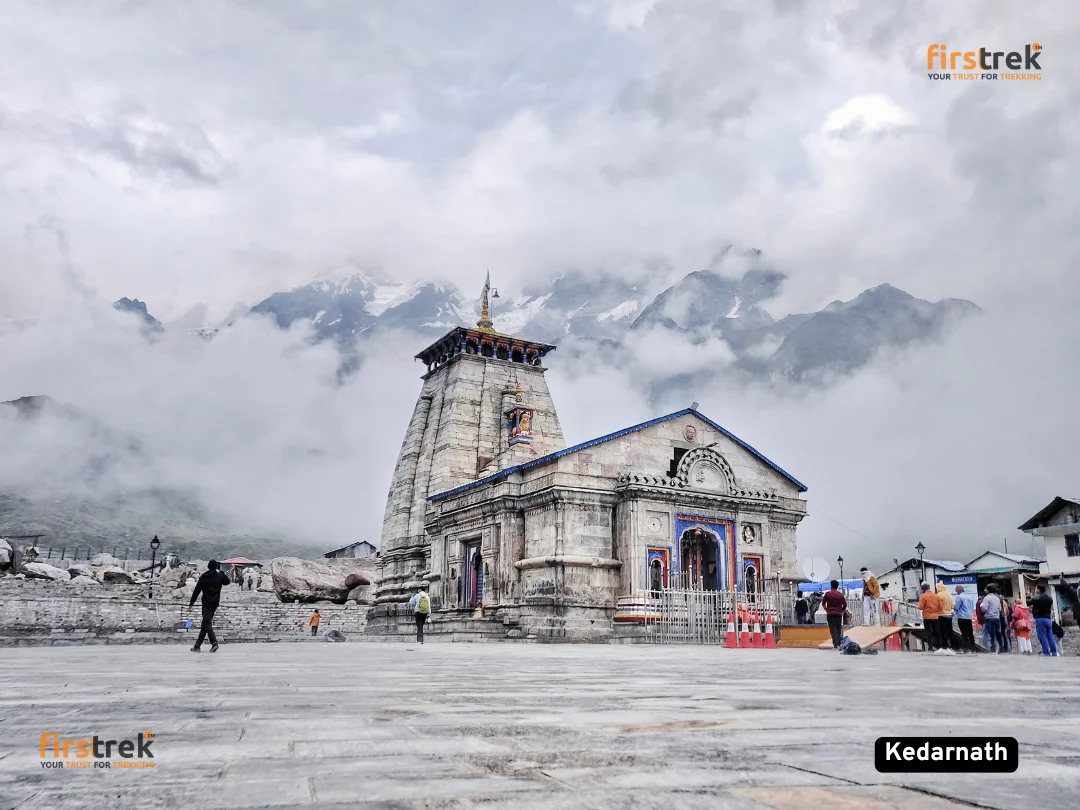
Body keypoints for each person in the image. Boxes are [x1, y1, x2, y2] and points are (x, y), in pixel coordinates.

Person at [188, 560, 231, 653]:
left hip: (206, 603)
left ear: (208, 566)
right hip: (215, 603)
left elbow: (196, 591)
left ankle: (214, 643)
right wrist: (222, 572)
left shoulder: (204, 576)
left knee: (206, 623)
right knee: (205, 623)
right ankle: (197, 646)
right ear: (216, 567)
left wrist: (191, 603)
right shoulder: (219, 576)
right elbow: (227, 582)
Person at [1028, 585, 1057, 656]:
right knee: (1050, 636)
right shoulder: (1049, 598)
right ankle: (1054, 652)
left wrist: (1030, 595)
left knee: (1042, 636)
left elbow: (1029, 602)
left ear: (1038, 590)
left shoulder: (1037, 597)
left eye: (1035, 589)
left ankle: (1046, 652)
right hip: (1048, 618)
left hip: (1040, 618)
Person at [821, 580, 847, 648]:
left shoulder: (827, 594)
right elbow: (845, 604)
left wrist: (827, 610)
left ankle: (835, 645)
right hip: (838, 614)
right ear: (837, 586)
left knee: (833, 629)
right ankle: (839, 644)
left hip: (830, 614)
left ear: (831, 585)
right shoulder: (840, 595)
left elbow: (823, 604)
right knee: (838, 629)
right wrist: (842, 611)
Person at [981, 584, 1006, 654]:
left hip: (989, 617)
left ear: (988, 590)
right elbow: (1000, 609)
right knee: (999, 633)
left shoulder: (986, 598)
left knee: (992, 633)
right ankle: (1001, 648)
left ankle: (993, 647)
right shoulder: (997, 598)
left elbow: (985, 608)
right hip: (996, 617)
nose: (985, 590)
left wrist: (982, 609)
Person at [953, 586, 977, 652]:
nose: (956, 592)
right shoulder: (970, 597)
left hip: (962, 617)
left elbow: (957, 607)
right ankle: (973, 647)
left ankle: (966, 648)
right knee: (970, 633)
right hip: (969, 617)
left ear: (958, 590)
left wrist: (953, 607)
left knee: (964, 633)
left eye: (956, 591)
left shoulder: (959, 597)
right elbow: (972, 606)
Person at [917, 583, 940, 651]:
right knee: (937, 632)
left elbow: (920, 607)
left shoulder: (923, 596)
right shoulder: (936, 596)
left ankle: (930, 647)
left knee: (929, 633)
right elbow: (940, 606)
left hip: (927, 617)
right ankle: (939, 646)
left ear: (923, 589)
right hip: (936, 617)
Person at [935, 583, 955, 652]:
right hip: (949, 615)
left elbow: (937, 605)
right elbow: (952, 604)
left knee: (942, 632)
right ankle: (953, 646)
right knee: (950, 631)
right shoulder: (949, 594)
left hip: (941, 615)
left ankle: (944, 646)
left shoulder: (938, 595)